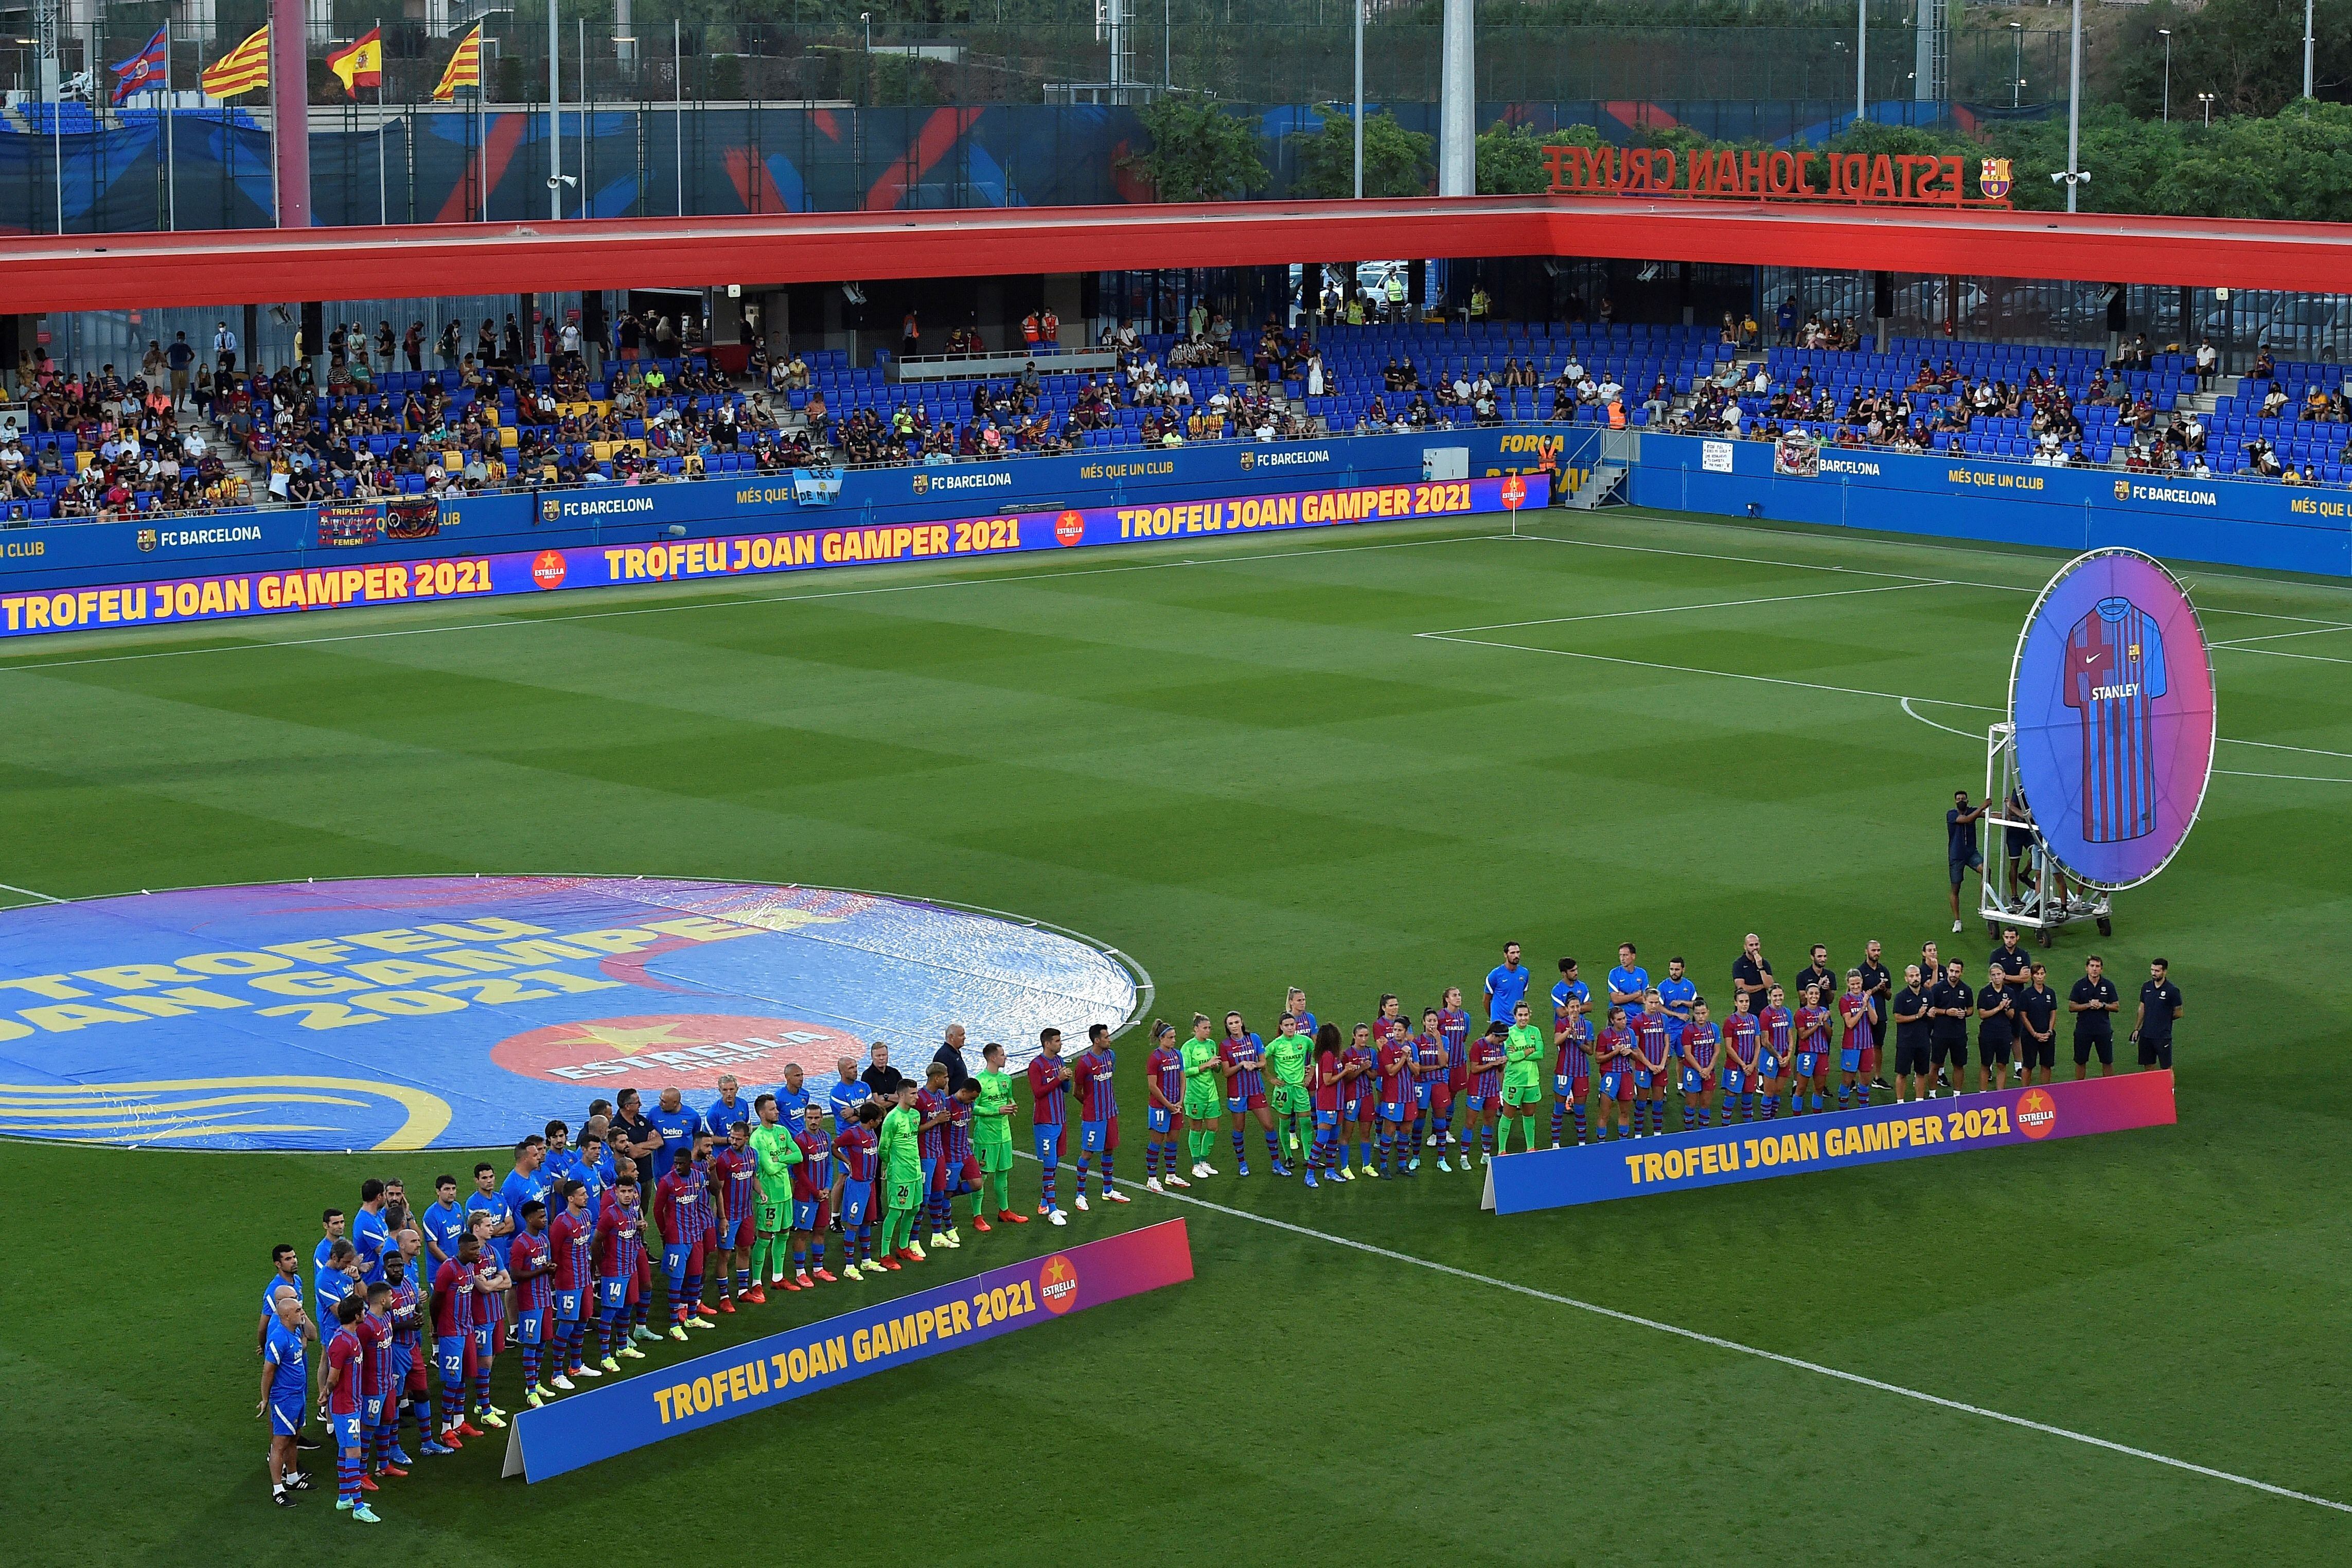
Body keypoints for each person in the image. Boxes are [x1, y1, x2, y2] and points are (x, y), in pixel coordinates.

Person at [323, 1294, 380, 1523]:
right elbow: (333, 1377)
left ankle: (344, 1497)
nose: (366, 1313)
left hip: (353, 1404)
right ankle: (358, 1507)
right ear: (357, 1316)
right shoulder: (341, 1342)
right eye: (363, 1311)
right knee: (354, 1454)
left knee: (344, 1450)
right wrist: (325, 1393)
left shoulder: (351, 1336)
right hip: (345, 1407)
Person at [260, 1285, 313, 1507]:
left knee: (294, 1438)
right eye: (298, 1310)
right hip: (284, 1398)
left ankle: (292, 1477)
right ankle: (278, 1489)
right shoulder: (279, 1338)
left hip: (298, 1395)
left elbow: (311, 1337)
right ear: (287, 1316)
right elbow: (268, 1371)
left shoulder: (295, 1332)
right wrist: (265, 1399)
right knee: (279, 1444)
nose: (302, 1312)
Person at [545, 1180, 599, 1390]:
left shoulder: (586, 1215)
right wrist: (557, 1277)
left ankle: (576, 1365)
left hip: (584, 1279)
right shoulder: (561, 1223)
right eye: (582, 1194)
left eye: (586, 1193)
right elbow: (555, 1252)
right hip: (568, 1281)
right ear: (570, 1198)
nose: (587, 1197)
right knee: (567, 1324)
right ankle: (556, 1373)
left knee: (583, 1319)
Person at [590, 1177, 648, 1370]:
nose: (627, 1195)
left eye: (630, 1191)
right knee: (609, 1313)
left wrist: (640, 1228)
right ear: (616, 1192)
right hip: (614, 1271)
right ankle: (605, 1356)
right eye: (623, 1191)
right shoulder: (610, 1215)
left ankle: (622, 1347)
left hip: (630, 1268)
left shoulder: (632, 1212)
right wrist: (601, 1266)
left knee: (627, 1307)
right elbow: (596, 1242)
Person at [1071, 1022, 1131, 1206]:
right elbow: (1076, 1091)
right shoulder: (1085, 1063)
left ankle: (1108, 1190)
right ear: (1097, 1040)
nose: (1109, 1040)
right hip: (1093, 1117)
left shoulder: (1111, 1056)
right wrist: (1090, 1105)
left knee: (1109, 1149)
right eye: (1106, 1037)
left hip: (1111, 1113)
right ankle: (1080, 1195)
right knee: (1087, 1153)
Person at [971, 1041, 1028, 1226]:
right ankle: (978, 1217)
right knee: (982, 1176)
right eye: (1003, 1055)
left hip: (1005, 1135)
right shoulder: (980, 1081)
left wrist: (1012, 1106)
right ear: (993, 1058)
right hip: (986, 1137)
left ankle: (1005, 1211)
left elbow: (1009, 1098)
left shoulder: (1006, 1079)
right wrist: (998, 1110)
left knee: (1003, 1173)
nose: (1006, 1057)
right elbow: (972, 1108)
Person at [747, 1093, 797, 1299]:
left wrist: (779, 1160)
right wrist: (785, 1160)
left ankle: (778, 1277)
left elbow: (799, 1156)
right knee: (765, 1238)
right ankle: (757, 1283)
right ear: (762, 1113)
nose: (777, 1112)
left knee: (784, 1233)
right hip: (769, 1196)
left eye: (776, 1108)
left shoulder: (782, 1131)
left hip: (786, 1193)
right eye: (773, 1109)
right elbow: (768, 1167)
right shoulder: (757, 1138)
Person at [508, 1201, 556, 1407]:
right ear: (529, 1219)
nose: (545, 1220)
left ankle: (535, 1383)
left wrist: (550, 1268)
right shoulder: (521, 1243)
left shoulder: (544, 1240)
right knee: (531, 1344)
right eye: (541, 1217)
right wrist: (543, 1270)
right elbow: (515, 1274)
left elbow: (545, 1264)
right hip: (529, 1301)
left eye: (545, 1216)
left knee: (543, 1341)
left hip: (545, 1298)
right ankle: (531, 1391)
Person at [706, 1120, 756, 1309]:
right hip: (729, 1215)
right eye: (732, 1138)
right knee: (724, 1255)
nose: (734, 1142)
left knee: (745, 1249)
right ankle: (724, 1297)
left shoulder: (753, 1155)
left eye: (738, 1139)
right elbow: (718, 1190)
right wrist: (721, 1217)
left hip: (746, 1213)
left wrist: (761, 1192)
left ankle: (743, 1291)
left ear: (747, 1138)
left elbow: (753, 1178)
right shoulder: (724, 1159)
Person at [1027, 1026, 1074, 1224]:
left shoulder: (1059, 1061)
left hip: (1060, 1119)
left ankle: (1044, 1204)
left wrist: (1066, 1079)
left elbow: (1066, 1089)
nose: (1060, 1044)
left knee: (1054, 1164)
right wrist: (1058, 1079)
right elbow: (1038, 1092)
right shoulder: (1036, 1065)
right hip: (1045, 1122)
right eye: (1057, 1041)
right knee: (1049, 1165)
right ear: (1047, 1044)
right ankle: (1053, 1211)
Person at [1218, 1011, 1275, 1176]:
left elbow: (1263, 1062)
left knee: (1269, 1125)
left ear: (1242, 1023)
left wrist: (1254, 1065)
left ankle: (1276, 1164)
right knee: (1239, 1128)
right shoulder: (1225, 1045)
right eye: (1231, 1024)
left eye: (1237, 1022)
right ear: (1227, 1027)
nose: (1235, 1026)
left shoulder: (1254, 1038)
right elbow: (1226, 1072)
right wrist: (1241, 1064)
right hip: (1237, 1092)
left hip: (1256, 1089)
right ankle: (1242, 1164)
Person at [877, 1082, 927, 1264]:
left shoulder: (915, 1115)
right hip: (899, 1174)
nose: (917, 1097)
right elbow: (883, 1148)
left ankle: (903, 1248)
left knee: (914, 1209)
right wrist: (891, 1164)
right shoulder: (892, 1119)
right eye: (913, 1094)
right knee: (896, 1212)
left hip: (915, 1171)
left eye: (917, 1093)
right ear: (902, 1095)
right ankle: (884, 1254)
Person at [791, 1105, 839, 1284]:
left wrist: (827, 1188)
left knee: (820, 1230)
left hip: (822, 1195)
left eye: (817, 1118)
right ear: (805, 1118)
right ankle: (800, 1273)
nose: (813, 1121)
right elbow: (798, 1172)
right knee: (803, 1233)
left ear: (822, 1118)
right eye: (810, 1118)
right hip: (806, 1196)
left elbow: (829, 1165)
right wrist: (815, 1192)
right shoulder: (800, 1140)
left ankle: (818, 1269)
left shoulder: (826, 1137)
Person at [1142, 1021, 1192, 1194]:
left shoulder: (1178, 1055)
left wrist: (1180, 1101)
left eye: (1174, 1037)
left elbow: (1182, 1079)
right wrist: (1168, 1105)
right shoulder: (1155, 1058)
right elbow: (1152, 1086)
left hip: (1176, 1106)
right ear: (1161, 1038)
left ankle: (1171, 1175)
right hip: (1160, 1108)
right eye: (1170, 1038)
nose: (1174, 1040)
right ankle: (1152, 1179)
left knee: (1173, 1140)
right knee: (1157, 1142)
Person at [1263, 1011, 1315, 1178]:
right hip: (1284, 1090)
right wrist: (1271, 1078)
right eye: (1287, 1025)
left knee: (1306, 1122)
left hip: (1300, 1088)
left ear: (1296, 1026)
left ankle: (1308, 1157)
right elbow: (1261, 1060)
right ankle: (1288, 1157)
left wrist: (1311, 1074)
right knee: (1284, 1124)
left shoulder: (1305, 1041)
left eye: (1292, 1025)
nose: (1290, 1028)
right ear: (1281, 1027)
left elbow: (1317, 1054)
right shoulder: (1276, 1044)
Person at [834, 1104, 883, 1275]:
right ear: (872, 1121)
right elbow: (834, 1146)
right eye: (879, 1119)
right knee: (853, 1225)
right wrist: (847, 1161)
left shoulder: (872, 1133)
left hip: (870, 1184)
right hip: (857, 1186)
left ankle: (866, 1261)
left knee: (867, 1221)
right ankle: (849, 1267)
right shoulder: (853, 1134)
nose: (880, 1121)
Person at [1497, 1001, 1547, 1154]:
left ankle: (1530, 1148)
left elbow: (1540, 1054)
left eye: (1526, 1015)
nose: (1523, 1018)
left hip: (1532, 1081)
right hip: (1514, 1081)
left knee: (1529, 1114)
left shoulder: (1535, 1031)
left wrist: (1521, 1054)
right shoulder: (1509, 1033)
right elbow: (1511, 1057)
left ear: (1529, 1015)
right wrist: (1529, 1051)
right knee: (1508, 1115)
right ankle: (1502, 1150)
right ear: (1515, 1016)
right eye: (1520, 1015)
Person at [1304, 1022, 1345, 1187]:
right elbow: (1328, 1081)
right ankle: (1309, 1175)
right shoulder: (1327, 1056)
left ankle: (1330, 1171)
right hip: (1327, 1102)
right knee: (1322, 1139)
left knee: (1333, 1139)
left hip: (1338, 1102)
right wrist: (1346, 1071)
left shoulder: (1334, 1056)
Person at [1551, 992, 1593, 1147]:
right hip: (1563, 1071)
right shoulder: (1561, 1023)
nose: (1575, 1010)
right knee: (1559, 1108)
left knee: (1580, 1110)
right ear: (1567, 1009)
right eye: (1572, 1007)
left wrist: (1577, 1041)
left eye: (1577, 1006)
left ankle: (1582, 1143)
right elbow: (1557, 1041)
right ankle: (1555, 1144)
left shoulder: (1588, 1025)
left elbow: (1590, 1050)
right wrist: (1568, 1032)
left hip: (1581, 1072)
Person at [1377, 1019, 1419, 1177]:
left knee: (1406, 1130)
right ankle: (1383, 1166)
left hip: (1409, 1096)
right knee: (1389, 1130)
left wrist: (1408, 1060)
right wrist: (1403, 1057)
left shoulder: (1413, 1047)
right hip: (1392, 1096)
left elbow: (1417, 1071)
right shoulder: (1388, 1048)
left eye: (1400, 1030)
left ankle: (1402, 1165)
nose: (1397, 1032)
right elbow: (1391, 1071)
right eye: (1395, 1030)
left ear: (1406, 1031)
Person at [2070, 954, 2121, 1078]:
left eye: (2097, 966)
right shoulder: (2079, 985)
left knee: (2107, 1061)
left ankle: (2109, 1086)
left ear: (2101, 969)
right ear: (2087, 968)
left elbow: (2116, 1007)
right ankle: (2079, 1086)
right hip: (2083, 1030)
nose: (2094, 969)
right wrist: (2089, 1005)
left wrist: (2102, 1005)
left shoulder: (2108, 985)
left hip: (2103, 1029)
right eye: (2092, 966)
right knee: (2081, 1061)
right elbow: (2072, 1007)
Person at [1929, 960, 1974, 1098]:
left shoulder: (1966, 990)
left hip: (1959, 1034)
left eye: (1957, 972)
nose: (1954, 974)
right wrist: (1946, 1012)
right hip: (1940, 1033)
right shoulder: (1937, 988)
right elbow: (1932, 1009)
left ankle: (1957, 1095)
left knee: (1959, 1065)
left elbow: (1971, 1009)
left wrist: (1964, 1013)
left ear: (1961, 973)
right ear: (1948, 970)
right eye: (1952, 971)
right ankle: (1932, 1094)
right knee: (1935, 1064)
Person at [1630, 989, 1672, 1135]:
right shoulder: (1637, 1021)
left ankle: (1657, 1134)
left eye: (1656, 1002)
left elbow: (1667, 1043)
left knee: (1658, 1103)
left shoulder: (1664, 1019)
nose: (1654, 1006)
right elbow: (1636, 1047)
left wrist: (1662, 1064)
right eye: (1651, 1002)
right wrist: (1650, 1065)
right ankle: (1638, 1135)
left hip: (1660, 1068)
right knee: (1641, 1103)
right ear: (1644, 1001)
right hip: (1644, 1068)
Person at [2132, 958, 2184, 1071]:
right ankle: (2151, 1084)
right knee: (2148, 1066)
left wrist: (2163, 1018)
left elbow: (2179, 1013)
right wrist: (2136, 1029)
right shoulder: (2146, 987)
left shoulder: (2172, 990)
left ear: (2165, 972)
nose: (2154, 973)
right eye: (2152, 970)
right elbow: (2142, 1008)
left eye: (2157, 971)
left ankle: (2170, 1084)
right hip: (2146, 1035)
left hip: (2162, 1036)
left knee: (2166, 1068)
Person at [1948, 789, 1989, 932]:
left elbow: (1987, 815)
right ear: (1955, 801)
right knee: (1956, 888)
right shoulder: (1951, 814)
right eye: (1959, 799)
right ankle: (1957, 921)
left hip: (1971, 853)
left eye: (1963, 799)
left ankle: (1983, 904)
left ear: (1967, 801)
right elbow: (1967, 820)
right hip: (1957, 856)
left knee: (1986, 871)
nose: (1961, 801)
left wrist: (2005, 815)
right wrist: (1982, 807)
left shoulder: (1972, 811)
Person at [1835, 970, 1877, 1111]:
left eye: (1858, 983)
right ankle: (1843, 1111)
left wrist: (1868, 1003)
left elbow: (1874, 1021)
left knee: (1865, 1080)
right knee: (1847, 1081)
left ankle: (1864, 1111)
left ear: (1862, 982)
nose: (1856, 987)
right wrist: (1862, 1007)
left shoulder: (1869, 998)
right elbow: (1850, 1024)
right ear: (1848, 984)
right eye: (1853, 984)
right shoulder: (1845, 1000)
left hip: (1867, 1045)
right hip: (1851, 1046)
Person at [1790, 983, 1832, 1117]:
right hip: (1807, 1054)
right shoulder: (1800, 1013)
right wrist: (1818, 1023)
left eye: (1817, 994)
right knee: (1801, 1088)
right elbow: (1803, 1035)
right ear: (1807, 996)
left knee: (1819, 1088)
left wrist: (1825, 1022)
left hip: (1822, 1053)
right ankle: (1797, 1118)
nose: (1814, 996)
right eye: (1812, 994)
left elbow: (1830, 1034)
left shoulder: (1824, 1010)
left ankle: (1817, 1117)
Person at [1591, 1006, 1633, 1141]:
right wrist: (1615, 1052)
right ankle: (1601, 1143)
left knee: (1625, 1112)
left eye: (1624, 1018)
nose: (1624, 1021)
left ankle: (1623, 1142)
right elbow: (1598, 1058)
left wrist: (1631, 1052)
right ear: (1612, 1021)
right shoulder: (1604, 1036)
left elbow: (1637, 1054)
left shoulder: (1631, 1033)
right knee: (1605, 1113)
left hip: (1626, 1075)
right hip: (1610, 1076)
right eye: (1619, 1019)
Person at [1891, 965, 1932, 1102]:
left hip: (1923, 1041)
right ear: (1906, 979)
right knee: (1902, 1073)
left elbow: (1931, 1014)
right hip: (1906, 1042)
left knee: (1921, 1073)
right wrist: (1917, 1016)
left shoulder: (1928, 995)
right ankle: (1900, 1103)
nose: (1915, 978)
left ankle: (1919, 1102)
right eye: (1912, 976)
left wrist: (1931, 1014)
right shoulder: (1901, 997)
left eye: (1917, 975)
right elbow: (1898, 1018)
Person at [1720, 990, 1760, 1125]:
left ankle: (1748, 1128)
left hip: (1751, 1067)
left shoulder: (1754, 1020)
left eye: (1747, 1001)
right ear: (1736, 1003)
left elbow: (1758, 1044)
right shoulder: (1730, 1021)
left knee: (1748, 1098)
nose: (1744, 1004)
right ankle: (1725, 1128)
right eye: (1741, 1002)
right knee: (1730, 1097)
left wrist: (1753, 1064)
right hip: (1734, 1067)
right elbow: (1728, 1048)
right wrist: (1743, 1065)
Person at [2017, 963, 2059, 1085]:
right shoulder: (2026, 994)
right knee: (2028, 1065)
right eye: (2037, 974)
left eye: (2042, 974)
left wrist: (2050, 1031)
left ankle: (2045, 1090)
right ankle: (2024, 1091)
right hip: (2030, 1036)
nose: (2040, 977)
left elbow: (2053, 1013)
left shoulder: (2050, 993)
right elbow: (2023, 1016)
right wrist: (2035, 1034)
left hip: (2047, 1035)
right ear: (2032, 976)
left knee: (2047, 1065)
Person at [1975, 969, 2015, 1094]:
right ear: (1990, 977)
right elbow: (1982, 1014)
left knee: (2002, 1065)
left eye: (1999, 974)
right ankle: (1983, 1094)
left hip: (2004, 1033)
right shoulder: (1984, 992)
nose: (1996, 977)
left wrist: (2006, 1008)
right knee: (1986, 1064)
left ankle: (2000, 1094)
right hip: (1988, 1033)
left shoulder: (2010, 992)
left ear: (2004, 975)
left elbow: (2012, 1015)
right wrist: (1999, 1008)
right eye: (1994, 975)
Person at [1757, 985, 1793, 1120]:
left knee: (1778, 1091)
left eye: (1780, 995)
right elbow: (1765, 1041)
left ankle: (1772, 1118)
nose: (1778, 998)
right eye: (1775, 996)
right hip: (1770, 1057)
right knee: (1769, 1092)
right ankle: (1767, 1122)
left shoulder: (1787, 1013)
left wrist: (1789, 1055)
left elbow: (1790, 1036)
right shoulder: (1765, 1014)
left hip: (1784, 1056)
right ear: (1769, 997)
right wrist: (1778, 1056)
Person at [1486, 940, 1530, 1025]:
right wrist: (1493, 1018)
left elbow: (1521, 995)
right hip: (1499, 1023)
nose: (1516, 956)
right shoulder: (1495, 975)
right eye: (1512, 953)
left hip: (1517, 1023)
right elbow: (1486, 1000)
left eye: (1518, 952)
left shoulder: (1524, 973)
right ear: (1506, 955)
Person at [1732, 932, 1774, 1014]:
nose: (1755, 948)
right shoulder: (1739, 964)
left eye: (1757, 944)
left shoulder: (1764, 963)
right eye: (1751, 945)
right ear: (1745, 947)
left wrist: (1761, 967)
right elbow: (1742, 988)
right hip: (1745, 1011)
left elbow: (1770, 986)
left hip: (1763, 1010)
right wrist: (1762, 986)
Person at [1608, 942, 1650, 1024]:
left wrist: (1624, 996)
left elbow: (1645, 999)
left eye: (1625, 955)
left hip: (1637, 1020)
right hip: (1618, 1020)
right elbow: (1616, 1000)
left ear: (1633, 956)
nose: (1622, 959)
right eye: (1620, 955)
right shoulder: (1614, 973)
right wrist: (1637, 994)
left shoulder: (1642, 973)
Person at [931, 1023, 974, 1095]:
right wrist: (945, 1101)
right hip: (953, 1100)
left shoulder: (954, 1053)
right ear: (951, 1037)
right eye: (961, 1035)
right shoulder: (945, 1055)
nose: (964, 1038)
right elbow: (943, 1083)